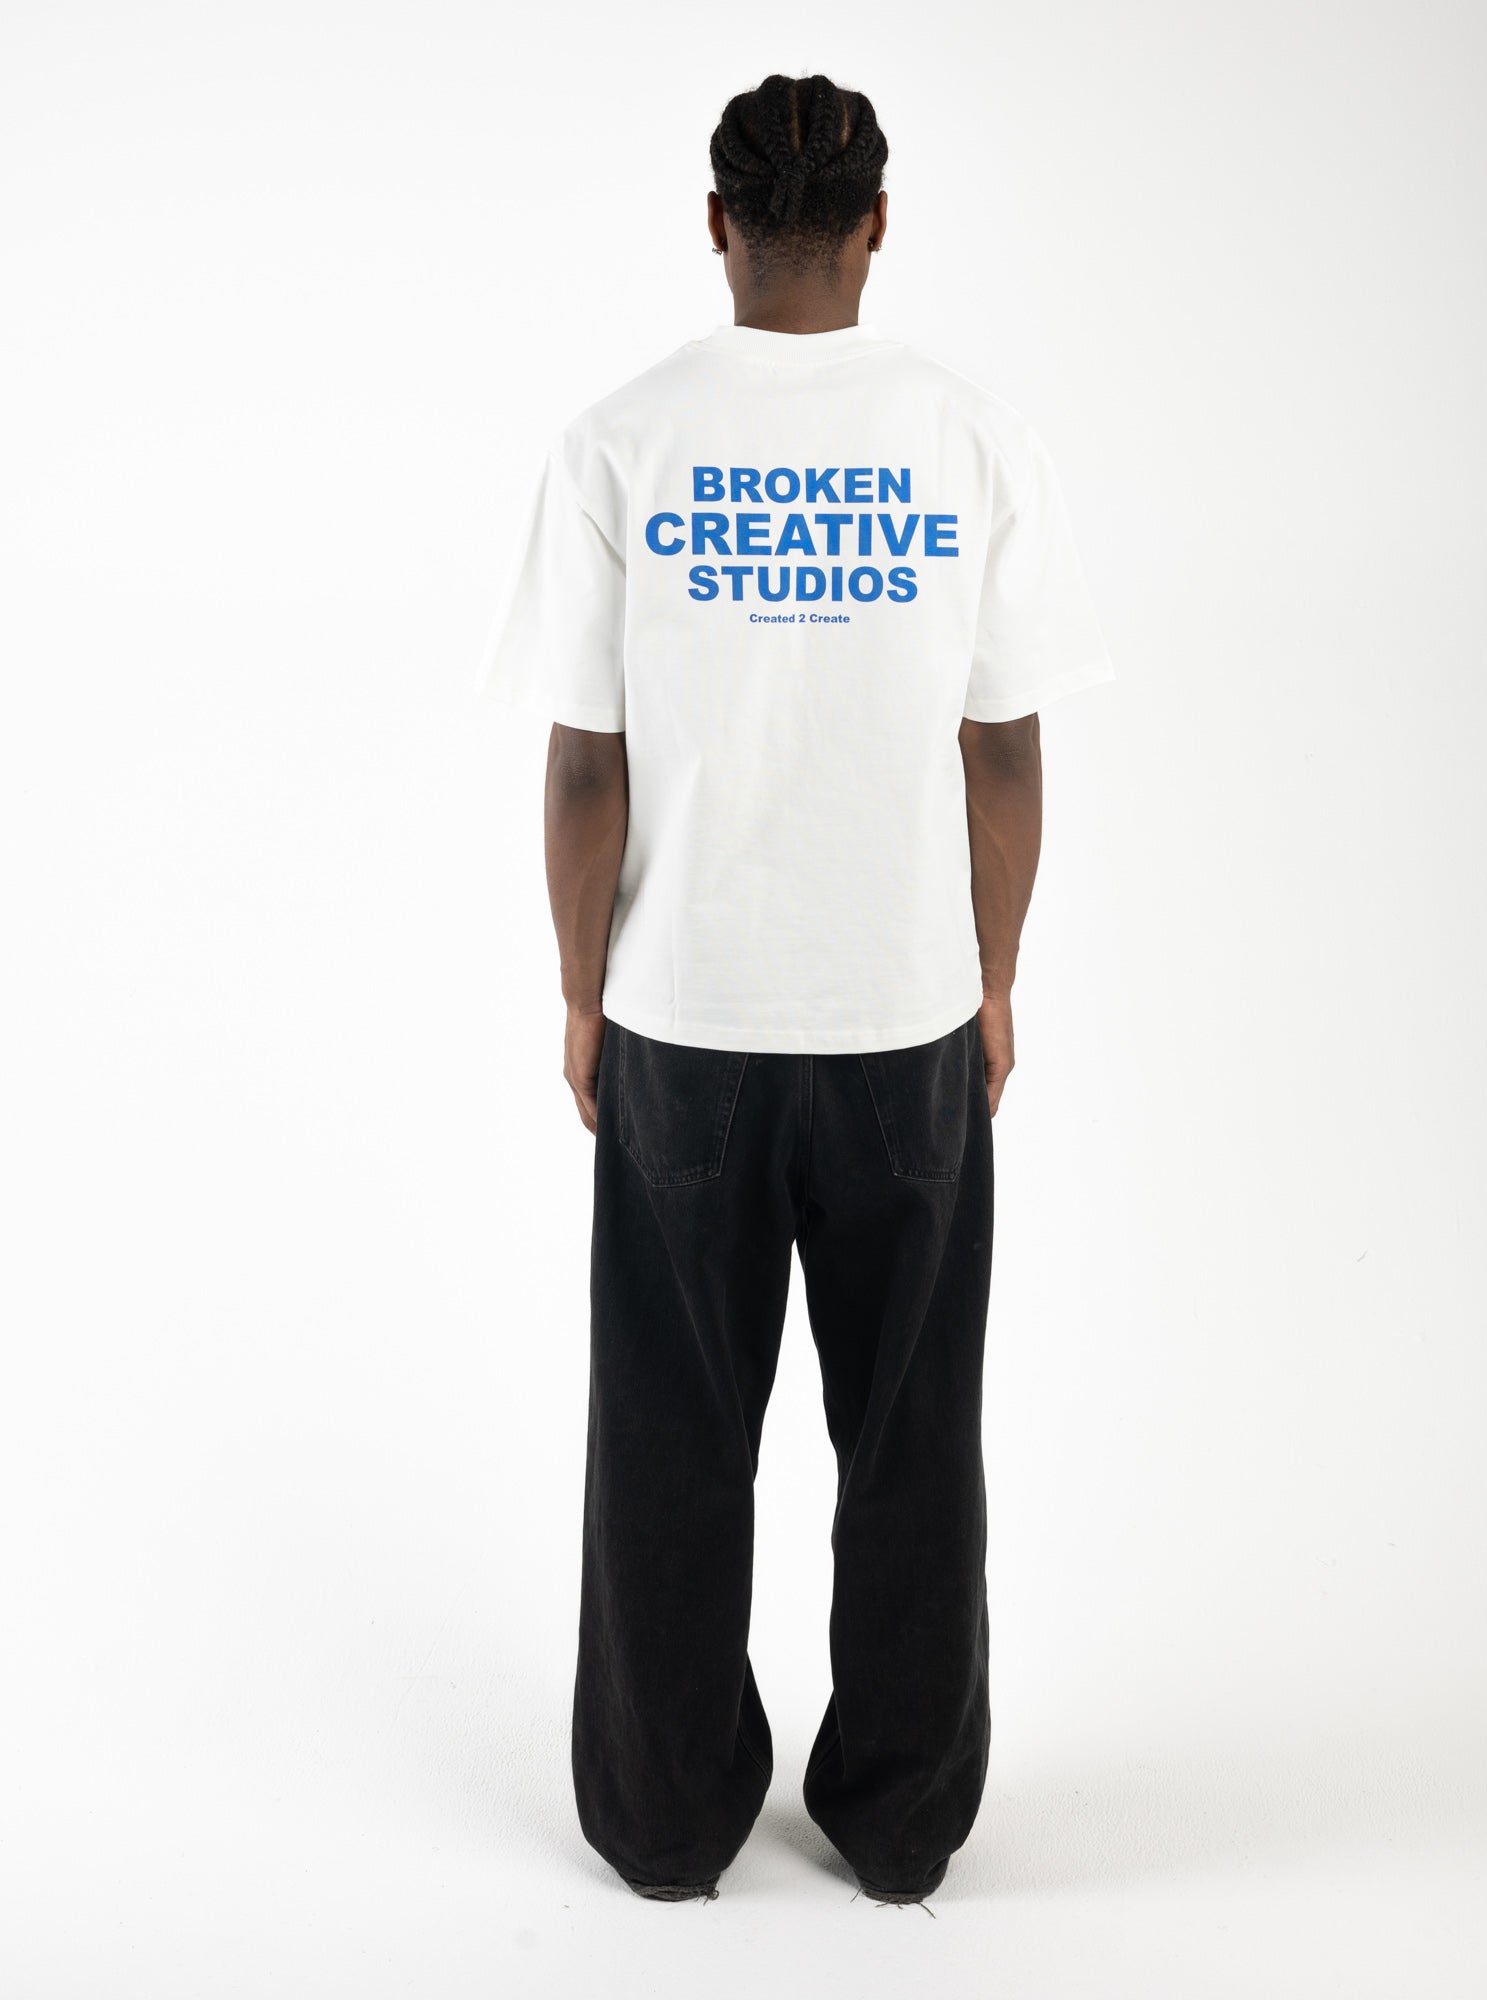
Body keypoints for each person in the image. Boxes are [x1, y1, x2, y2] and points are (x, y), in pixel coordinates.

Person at [476, 71, 1115, 1907]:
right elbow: (1007, 748)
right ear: (878, 226)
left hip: (685, 1017)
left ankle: (667, 1822)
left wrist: (581, 990)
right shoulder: (972, 438)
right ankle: (903, 1826)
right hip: (904, 1018)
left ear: (717, 223)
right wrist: (994, 979)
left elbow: (585, 765)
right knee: (910, 1434)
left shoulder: (621, 442)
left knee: (671, 1433)